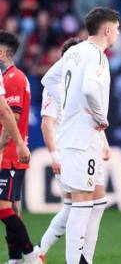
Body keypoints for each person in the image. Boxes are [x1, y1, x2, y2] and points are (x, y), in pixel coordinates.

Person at [41, 7, 118, 264]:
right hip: (80, 137)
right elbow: (88, 89)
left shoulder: (75, 51)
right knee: (81, 202)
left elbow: (49, 79)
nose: (117, 33)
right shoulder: (97, 56)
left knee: (97, 200)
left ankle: (85, 259)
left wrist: (69, 102)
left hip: (83, 137)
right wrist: (100, 117)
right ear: (107, 29)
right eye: (116, 29)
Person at [34, 38, 83, 262]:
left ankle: (38, 252)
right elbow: (47, 122)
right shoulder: (55, 86)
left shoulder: (78, 85)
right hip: (65, 152)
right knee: (79, 205)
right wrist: (55, 155)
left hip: (79, 149)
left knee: (74, 206)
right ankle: (44, 252)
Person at [0, 30, 40, 264]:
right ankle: (16, 258)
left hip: (10, 154)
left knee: (3, 208)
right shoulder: (8, 78)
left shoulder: (13, 78)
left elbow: (11, 120)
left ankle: (30, 254)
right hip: (10, 153)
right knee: (12, 209)